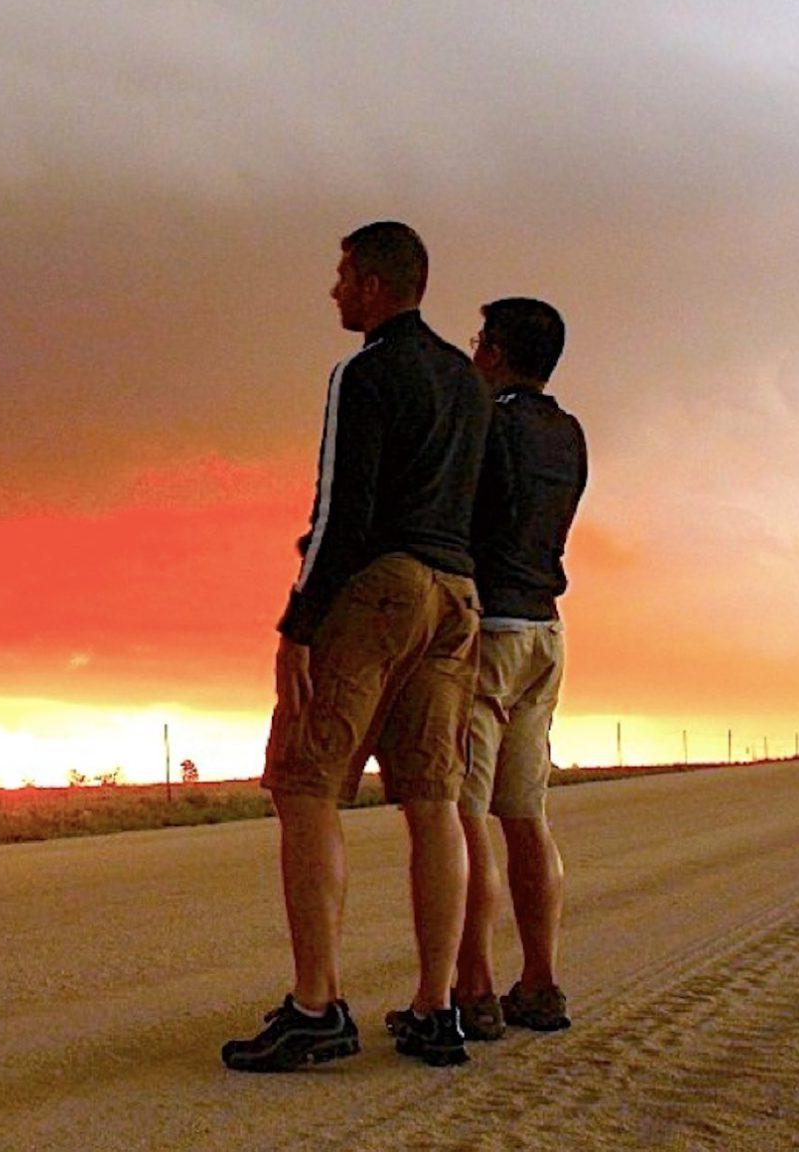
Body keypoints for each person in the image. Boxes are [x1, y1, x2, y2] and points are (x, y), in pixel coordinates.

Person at [223, 221, 488, 1072]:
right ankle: (435, 1007)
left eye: (343, 276)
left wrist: (298, 623)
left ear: (376, 285)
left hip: (383, 586)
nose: (335, 291)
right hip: (458, 594)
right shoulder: (466, 380)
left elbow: (341, 507)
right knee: (432, 797)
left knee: (304, 781)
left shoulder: (366, 371)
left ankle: (317, 1005)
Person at [452, 297, 585, 1041]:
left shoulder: (488, 424)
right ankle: (540, 980)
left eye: (479, 342)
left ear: (496, 353)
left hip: (489, 630)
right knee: (526, 815)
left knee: (464, 812)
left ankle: (471, 987)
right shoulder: (569, 433)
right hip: (545, 629)